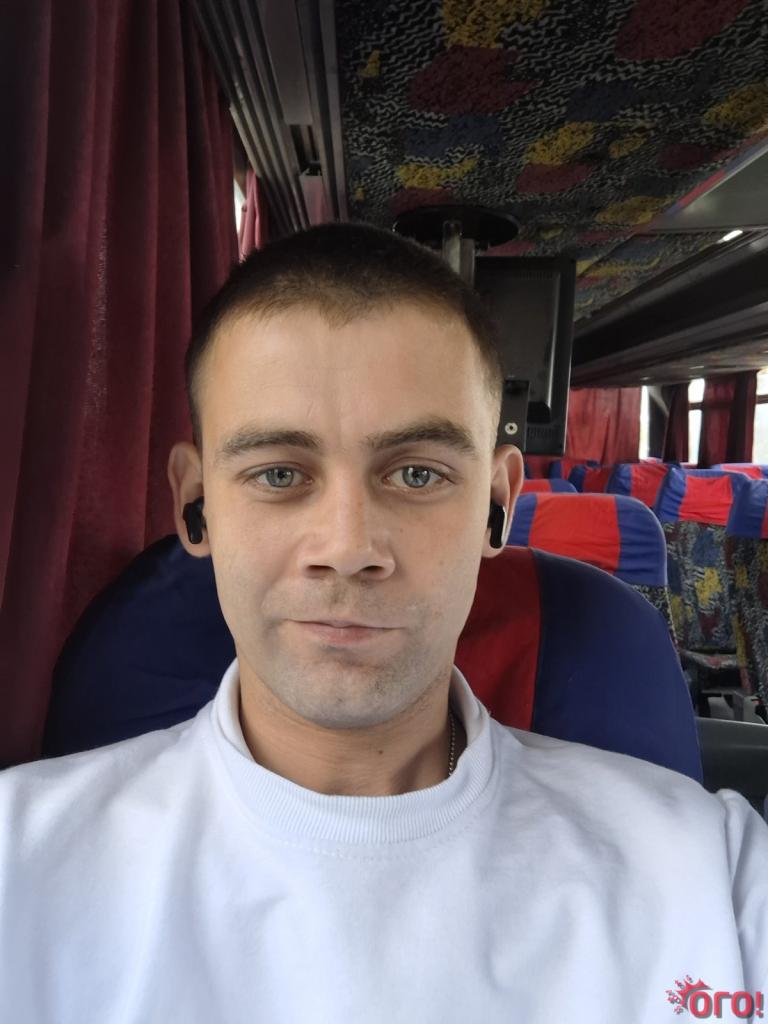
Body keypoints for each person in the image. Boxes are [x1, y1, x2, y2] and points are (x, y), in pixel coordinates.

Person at [1, 223, 767, 1024]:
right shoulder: (20, 863)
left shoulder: (711, 876)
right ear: (197, 506)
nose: (348, 548)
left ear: (497, 508)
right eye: (278, 473)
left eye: (417, 474)